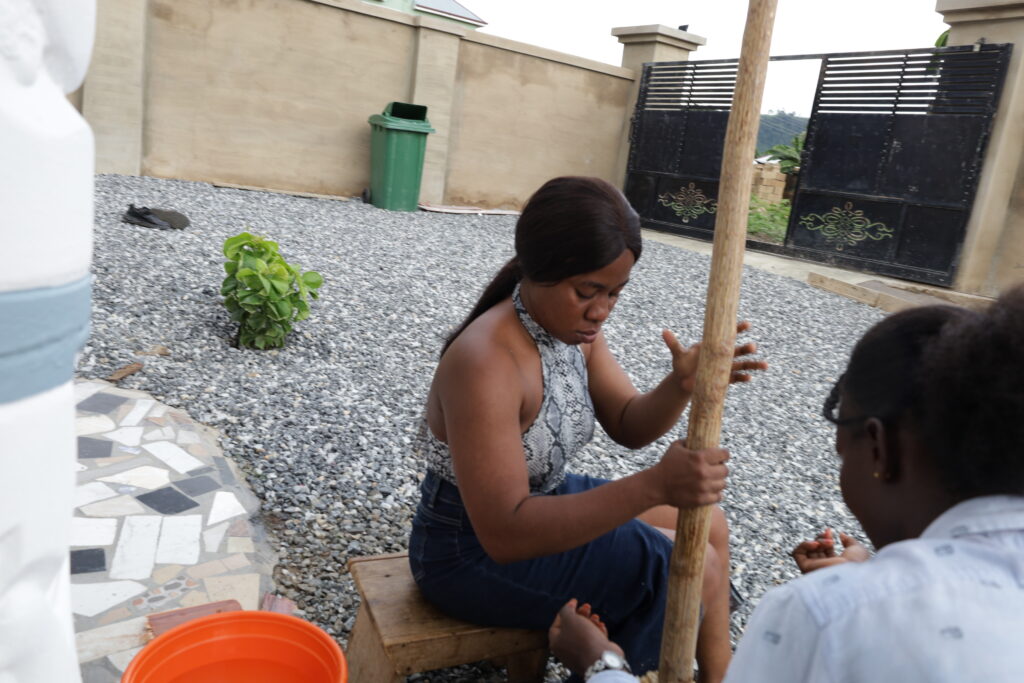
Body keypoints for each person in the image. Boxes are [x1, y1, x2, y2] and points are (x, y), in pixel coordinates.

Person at [548, 285, 1024, 682]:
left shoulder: (826, 614)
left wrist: (602, 664)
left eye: (840, 424)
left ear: (878, 447)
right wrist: (871, 575)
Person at [408, 176, 766, 679]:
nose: (601, 311)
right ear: (538, 269)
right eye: (587, 292)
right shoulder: (486, 362)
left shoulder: (573, 332)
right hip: (466, 553)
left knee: (711, 525)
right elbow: (505, 534)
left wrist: (682, 382)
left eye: (615, 294)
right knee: (694, 563)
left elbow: (628, 423)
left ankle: (719, 675)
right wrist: (654, 485)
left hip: (541, 501)